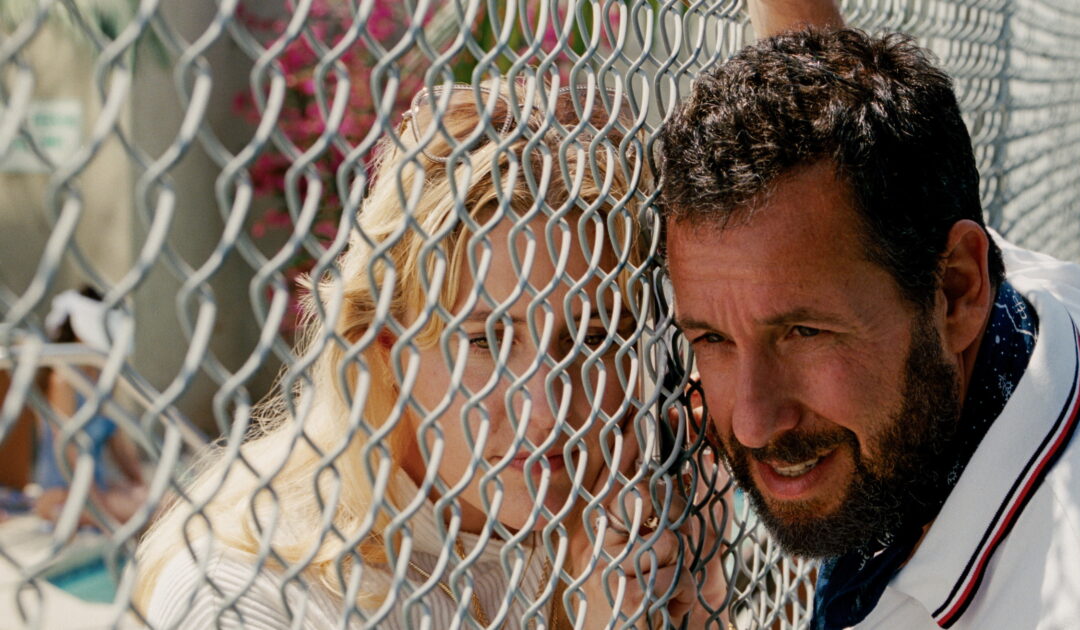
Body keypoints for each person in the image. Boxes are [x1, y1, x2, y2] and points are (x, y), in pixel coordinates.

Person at [656, 7, 1080, 630]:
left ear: (957, 293)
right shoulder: (995, 312)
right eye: (712, 338)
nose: (753, 423)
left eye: (805, 333)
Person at [135, 81, 724, 629]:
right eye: (486, 341)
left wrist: (702, 610)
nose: (546, 410)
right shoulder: (248, 589)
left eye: (592, 338)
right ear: (386, 346)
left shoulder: (614, 535)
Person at [34, 287, 147, 528]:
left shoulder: (102, 378)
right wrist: (100, 507)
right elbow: (68, 450)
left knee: (165, 501)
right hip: (63, 495)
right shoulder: (63, 379)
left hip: (98, 489)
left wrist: (140, 484)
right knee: (151, 509)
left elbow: (118, 444)